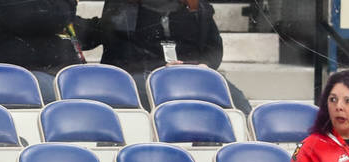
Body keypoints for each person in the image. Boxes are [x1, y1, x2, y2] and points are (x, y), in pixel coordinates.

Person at [99, 0, 252, 113]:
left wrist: (204, 65)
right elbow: (117, 52)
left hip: (190, 72)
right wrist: (161, 68)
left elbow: (213, 47)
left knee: (238, 102)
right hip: (142, 75)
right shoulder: (121, 5)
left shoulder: (196, 5)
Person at [0, 0, 100, 104]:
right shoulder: (24, 7)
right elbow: (46, 18)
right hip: (14, 78)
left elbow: (72, 26)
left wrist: (110, 25)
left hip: (50, 75)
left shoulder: (52, 9)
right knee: (84, 97)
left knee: (106, 89)